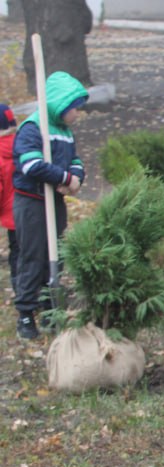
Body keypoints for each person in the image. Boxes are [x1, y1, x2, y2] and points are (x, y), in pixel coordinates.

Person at [12, 71, 87, 340]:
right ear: (60, 104)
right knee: (33, 256)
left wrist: (76, 177)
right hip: (31, 203)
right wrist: (64, 177)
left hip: (55, 202)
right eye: (74, 108)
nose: (77, 114)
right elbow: (31, 165)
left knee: (55, 255)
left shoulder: (64, 132)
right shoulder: (33, 128)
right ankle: (25, 313)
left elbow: (75, 160)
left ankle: (48, 307)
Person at [0, 104, 18, 299]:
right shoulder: (24, 144)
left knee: (17, 253)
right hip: (33, 210)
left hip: (11, 214)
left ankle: (20, 290)